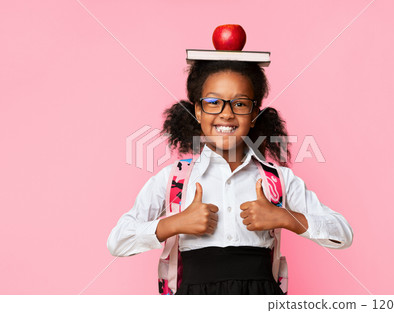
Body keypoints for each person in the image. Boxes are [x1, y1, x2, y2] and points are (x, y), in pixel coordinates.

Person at [107, 60, 353, 295]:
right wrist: (176, 223)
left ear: (254, 113)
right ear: (198, 111)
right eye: (213, 102)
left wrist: (285, 217)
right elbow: (118, 241)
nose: (226, 114)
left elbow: (343, 234)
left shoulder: (278, 179)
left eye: (240, 103)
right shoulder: (173, 179)